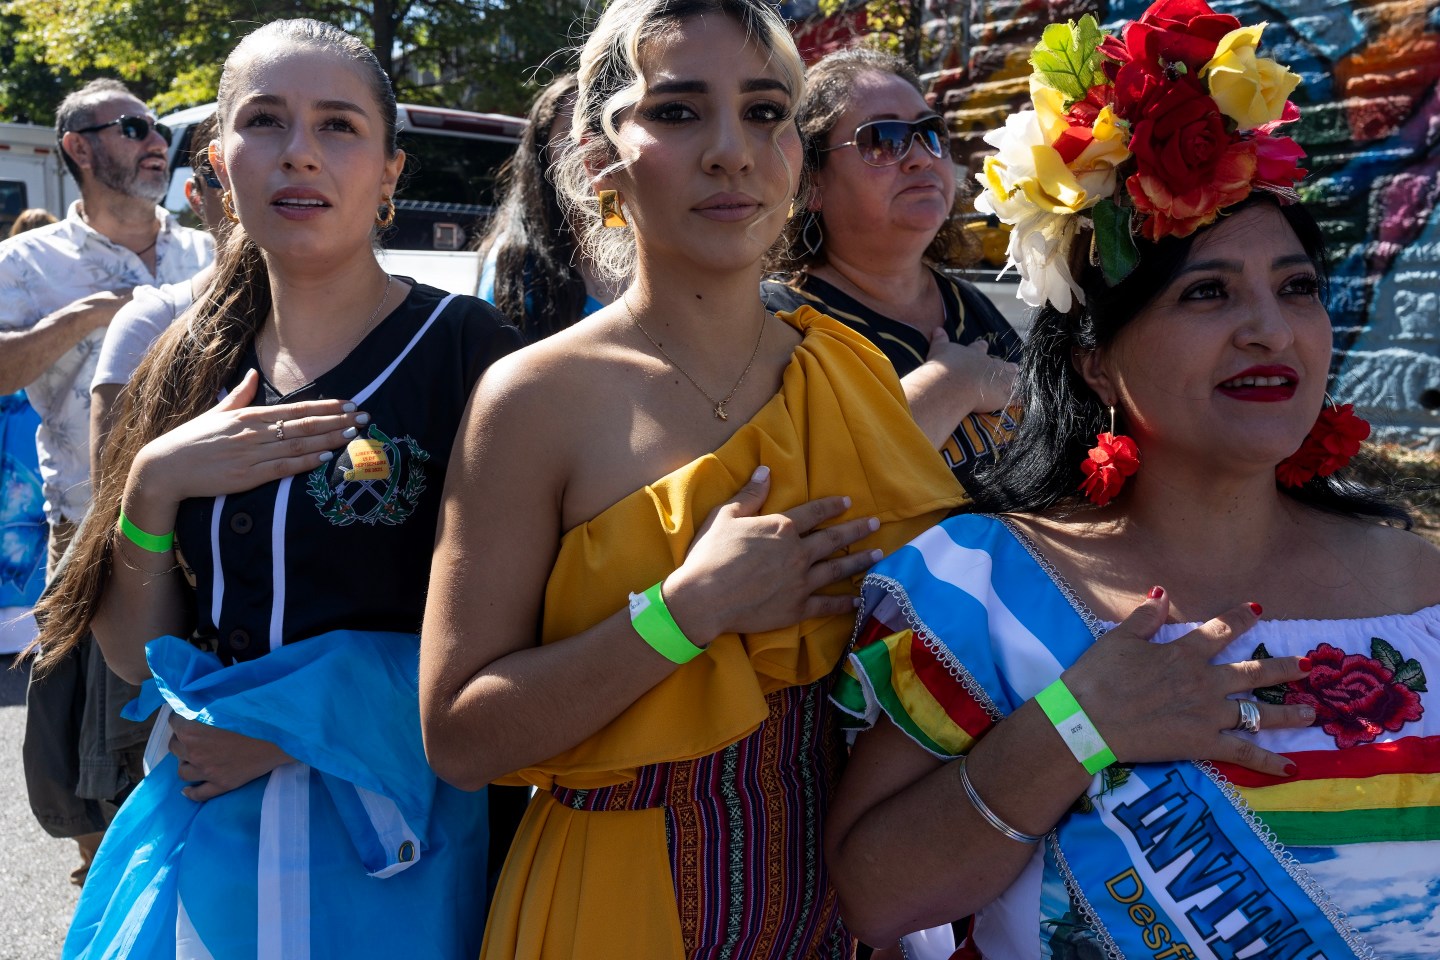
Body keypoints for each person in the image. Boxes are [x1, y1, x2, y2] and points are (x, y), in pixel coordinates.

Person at [824, 4, 1440, 957]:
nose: (1270, 331)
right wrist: (1075, 730)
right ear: (1094, 365)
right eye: (1207, 292)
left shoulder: (1422, 590)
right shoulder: (986, 585)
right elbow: (875, 899)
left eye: (1297, 287)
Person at [418, 0, 968, 955]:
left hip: (847, 907)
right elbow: (461, 738)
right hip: (615, 906)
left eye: (764, 111)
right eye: (676, 112)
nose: (731, 151)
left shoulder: (850, 370)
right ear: (600, 162)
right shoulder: (535, 398)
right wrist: (682, 613)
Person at [32, 19, 523, 957]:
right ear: (218, 165)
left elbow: (526, 634)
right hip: (217, 847)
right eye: (265, 122)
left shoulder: (472, 354)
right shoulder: (184, 359)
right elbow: (139, 661)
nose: (299, 153)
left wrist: (293, 729)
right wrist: (151, 488)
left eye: (338, 126)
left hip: (407, 854)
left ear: (389, 173)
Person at [0, 76, 213, 886]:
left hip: (212, 539)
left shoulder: (206, 250)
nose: (153, 138)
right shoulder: (28, 262)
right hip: (92, 540)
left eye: (156, 125)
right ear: (77, 149)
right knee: (103, 788)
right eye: (129, 127)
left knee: (203, 764)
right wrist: (82, 319)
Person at [762, 47, 1020, 494]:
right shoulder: (778, 324)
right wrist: (951, 384)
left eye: (929, 132)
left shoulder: (964, 302)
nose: (921, 157)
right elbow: (811, 499)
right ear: (813, 184)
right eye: (883, 139)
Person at [91, 110, 227, 482]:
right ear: (195, 196)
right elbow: (112, 510)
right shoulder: (148, 321)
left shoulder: (392, 320)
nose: (246, 188)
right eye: (223, 172)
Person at [476, 72, 623, 339]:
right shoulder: (517, 264)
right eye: (574, 135)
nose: (592, 152)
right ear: (543, 152)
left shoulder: (648, 249)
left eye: (605, 132)